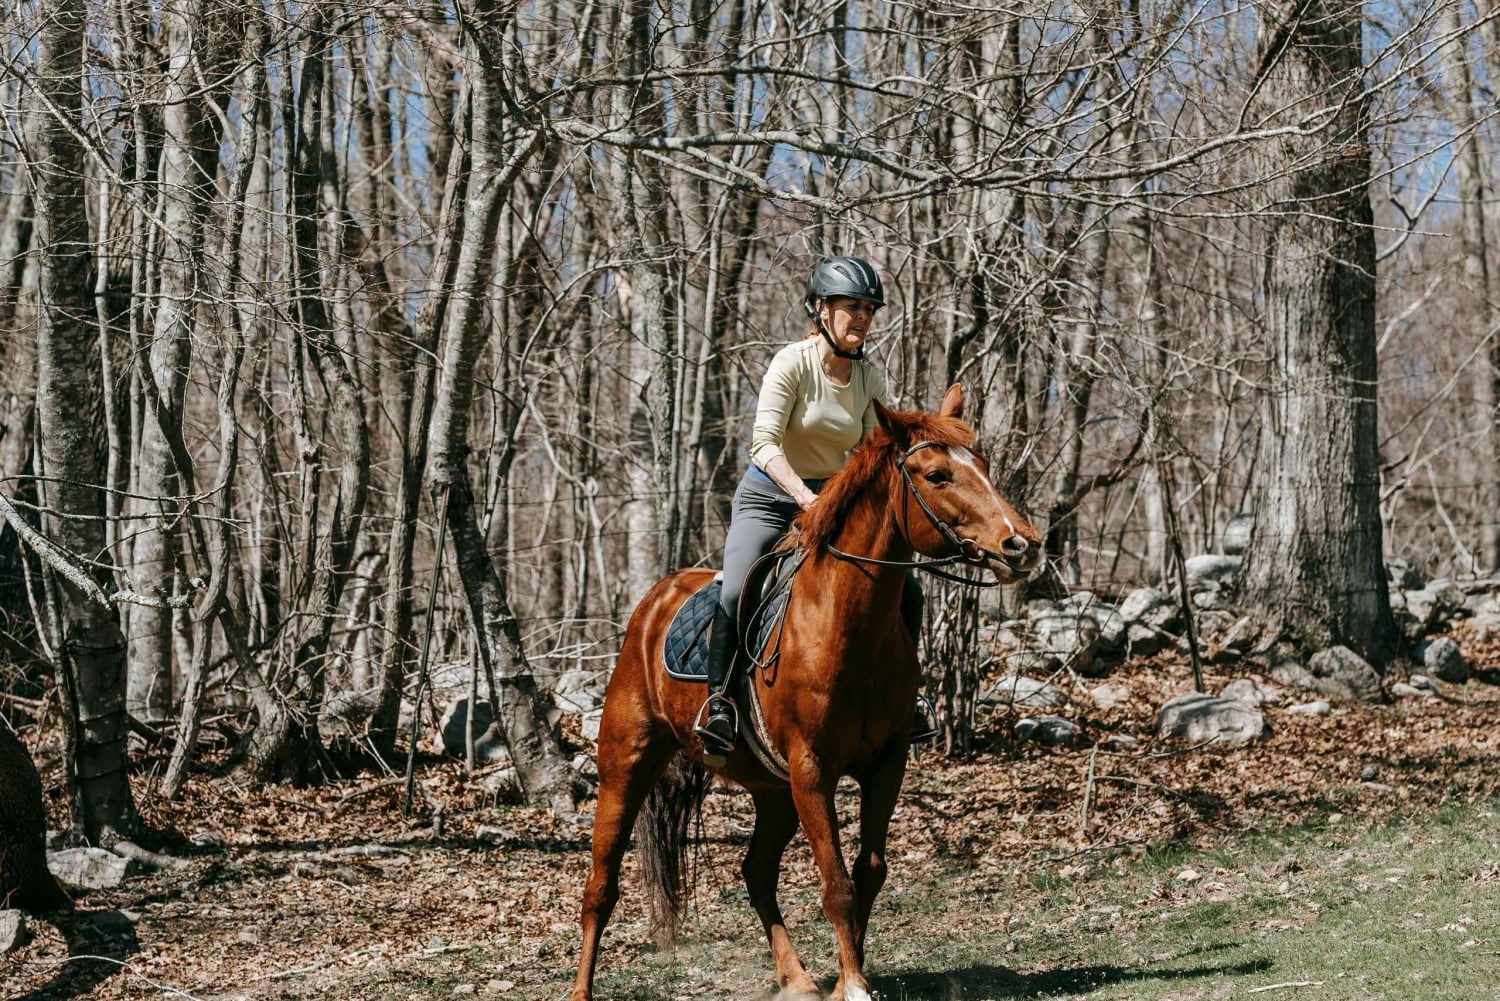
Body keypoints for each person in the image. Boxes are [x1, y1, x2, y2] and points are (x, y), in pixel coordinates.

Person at [695, 256, 927, 766]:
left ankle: (910, 699)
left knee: (905, 587)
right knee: (736, 586)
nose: (862, 318)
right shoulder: (791, 363)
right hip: (772, 496)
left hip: (834, 499)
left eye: (869, 309)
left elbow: (873, 448)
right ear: (821, 309)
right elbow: (762, 444)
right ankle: (720, 703)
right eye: (851, 307)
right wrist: (805, 497)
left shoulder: (868, 377)